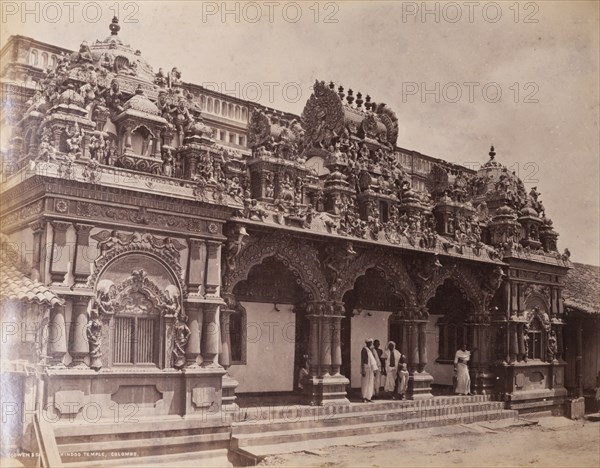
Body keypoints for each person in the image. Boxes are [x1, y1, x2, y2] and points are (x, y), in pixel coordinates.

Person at [361, 338, 378, 402]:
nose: (370, 343)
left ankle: (369, 397)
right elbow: (362, 360)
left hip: (371, 368)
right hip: (366, 367)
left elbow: (372, 361)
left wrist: (374, 369)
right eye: (369, 342)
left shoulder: (370, 350)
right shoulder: (364, 350)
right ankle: (364, 397)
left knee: (370, 383)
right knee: (365, 383)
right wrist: (363, 370)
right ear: (367, 343)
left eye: (371, 342)